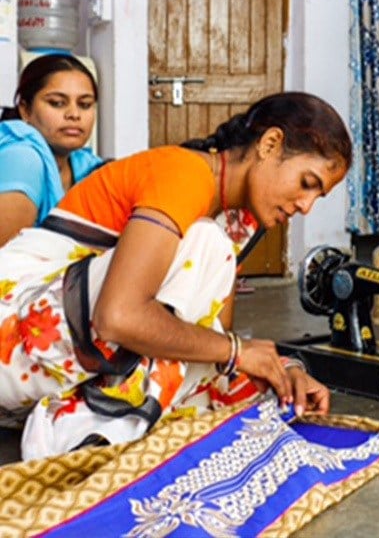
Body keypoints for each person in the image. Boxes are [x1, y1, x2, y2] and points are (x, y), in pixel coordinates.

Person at [0, 91, 350, 460]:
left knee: (233, 375)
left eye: (318, 197)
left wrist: (281, 368)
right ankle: (82, 431)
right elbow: (118, 317)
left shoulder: (236, 222)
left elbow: (204, 341)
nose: (306, 206)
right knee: (207, 246)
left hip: (42, 369)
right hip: (11, 325)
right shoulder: (186, 173)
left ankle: (95, 422)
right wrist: (238, 352)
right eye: (307, 183)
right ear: (270, 143)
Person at [0, 54, 103, 246]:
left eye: (85, 105)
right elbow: (5, 261)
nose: (74, 114)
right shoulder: (22, 157)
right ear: (25, 110)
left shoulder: (85, 165)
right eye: (57, 103)